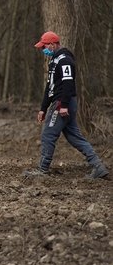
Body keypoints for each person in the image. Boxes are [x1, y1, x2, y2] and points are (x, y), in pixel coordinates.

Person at [24, 31, 108, 179]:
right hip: (61, 102)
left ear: (52, 44)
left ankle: (42, 170)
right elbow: (49, 87)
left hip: (62, 103)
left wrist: (63, 105)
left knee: (48, 135)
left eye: (44, 47)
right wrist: (43, 108)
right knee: (75, 137)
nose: (43, 50)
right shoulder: (54, 61)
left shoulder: (65, 60)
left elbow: (68, 84)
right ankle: (98, 166)